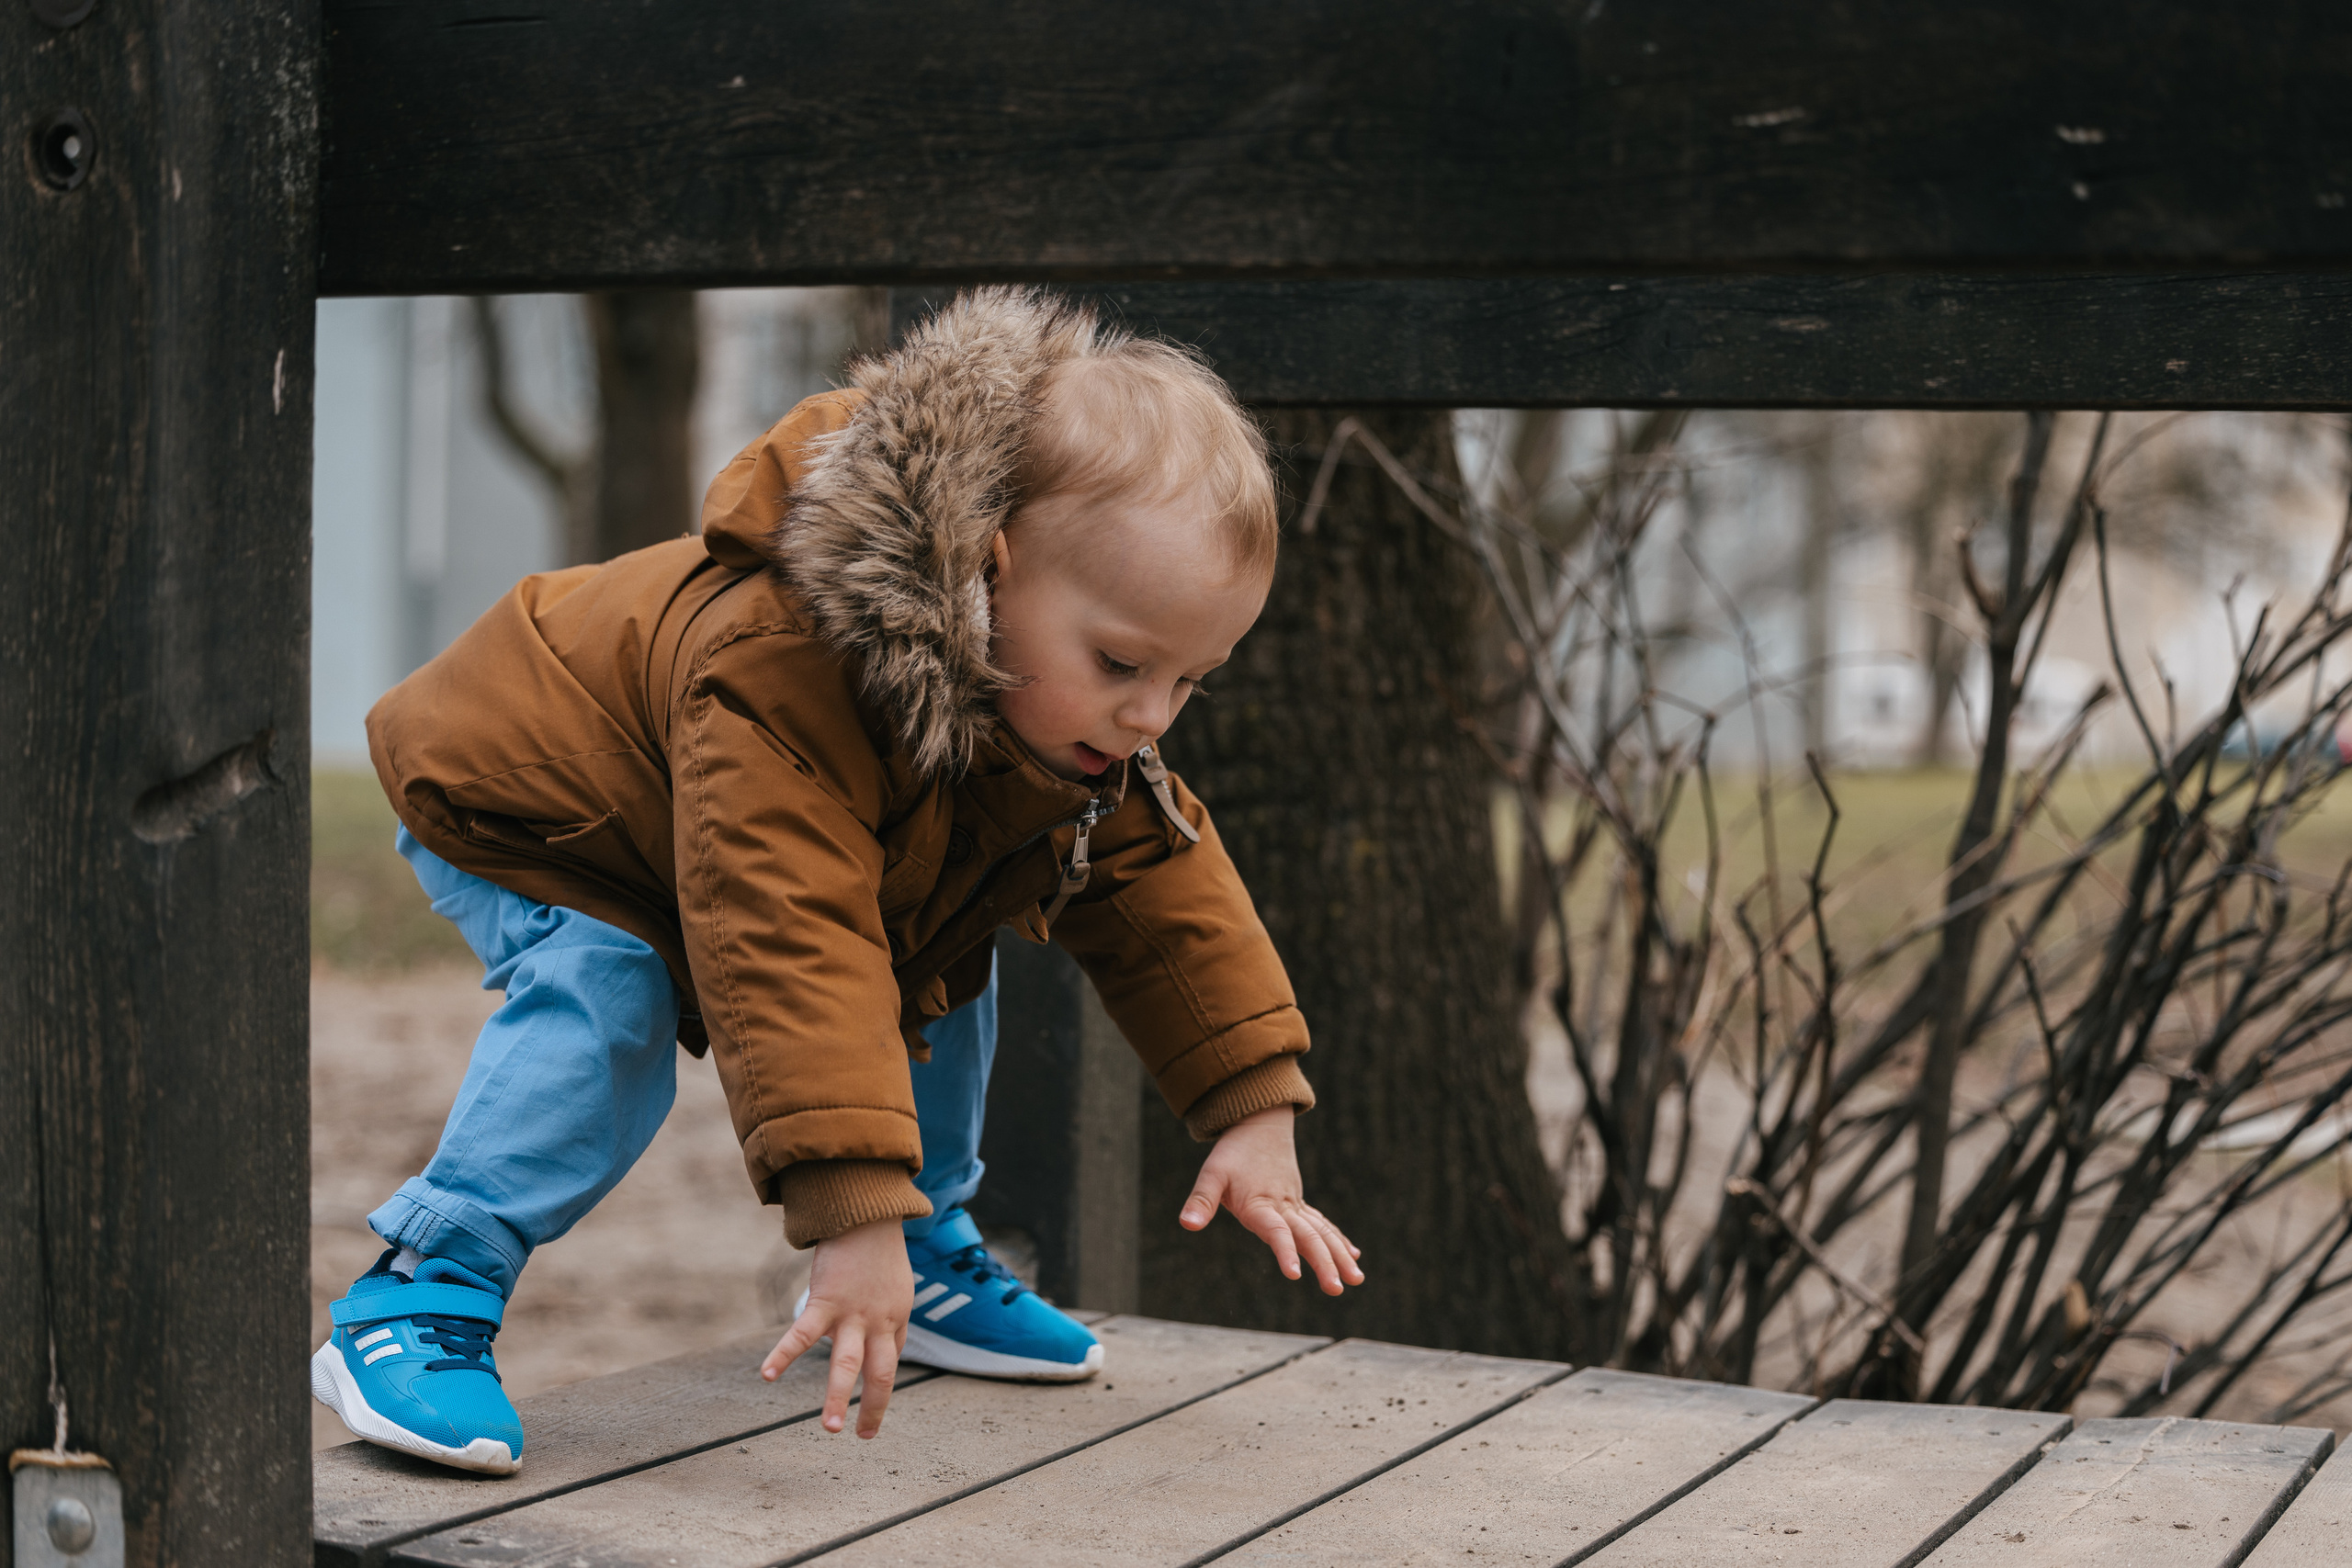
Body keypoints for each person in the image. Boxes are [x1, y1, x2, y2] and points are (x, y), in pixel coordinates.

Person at [310, 288, 1363, 1475]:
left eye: (1189, 680)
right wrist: (854, 1216)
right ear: (989, 566)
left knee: (944, 936)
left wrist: (1254, 1105)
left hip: (694, 811)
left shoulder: (1061, 714)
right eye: (1122, 662)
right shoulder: (786, 660)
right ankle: (422, 1289)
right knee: (616, 991)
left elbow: (1165, 890)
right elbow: (787, 934)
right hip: (537, 794)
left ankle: (934, 1244)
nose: (1150, 714)